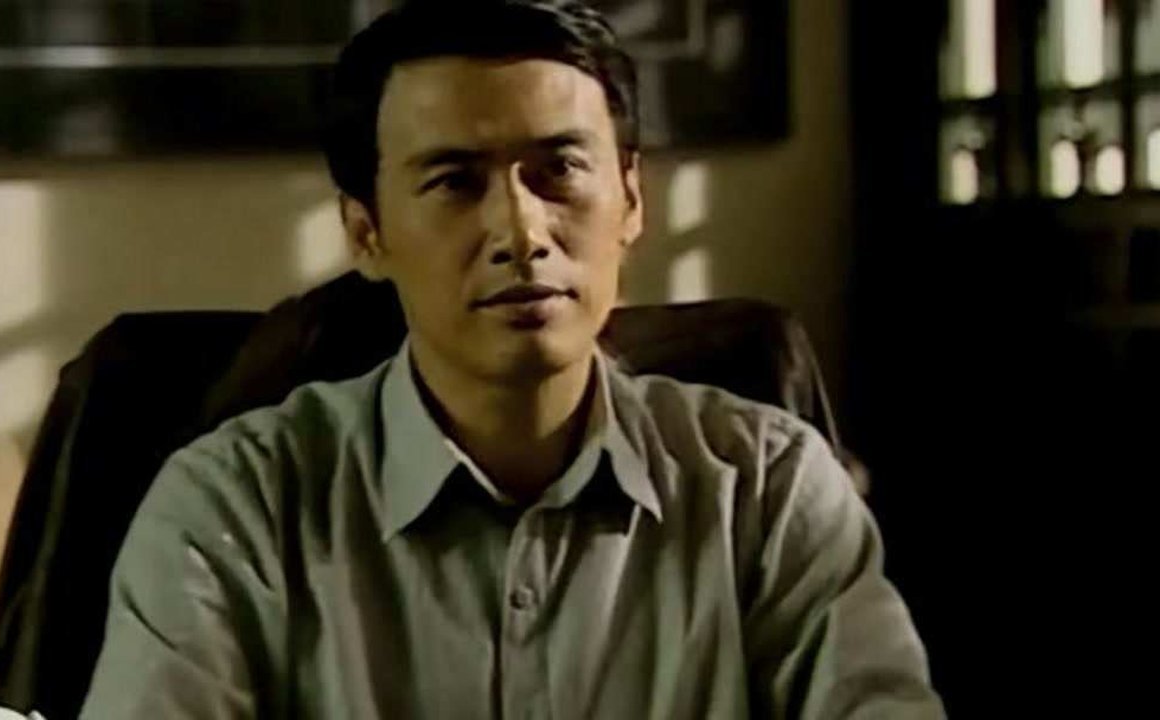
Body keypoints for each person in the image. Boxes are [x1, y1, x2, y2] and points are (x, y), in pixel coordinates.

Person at [79, 1, 943, 717]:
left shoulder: (767, 490)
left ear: (631, 200)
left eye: (559, 169)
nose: (522, 232)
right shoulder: (235, 510)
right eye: (455, 182)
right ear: (366, 232)